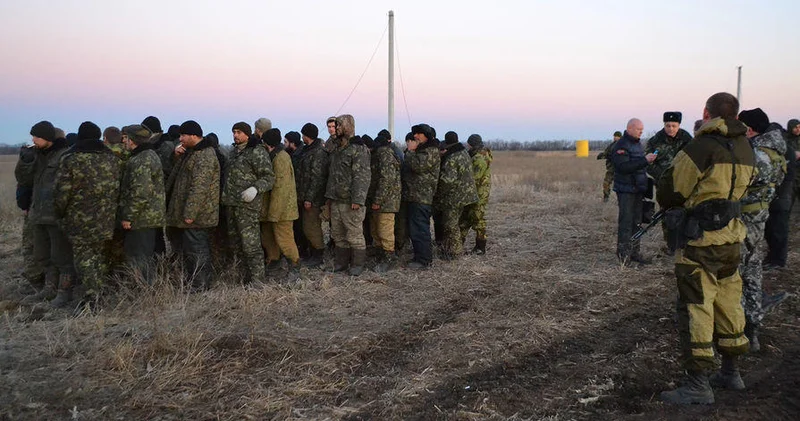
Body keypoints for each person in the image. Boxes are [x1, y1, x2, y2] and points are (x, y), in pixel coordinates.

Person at [657, 92, 755, 405]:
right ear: (736, 116)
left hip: (700, 242)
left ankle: (698, 384)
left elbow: (672, 189)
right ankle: (731, 372)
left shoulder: (701, 146)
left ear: (706, 112)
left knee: (695, 307)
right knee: (729, 303)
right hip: (732, 239)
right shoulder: (746, 147)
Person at [54, 121, 122, 307]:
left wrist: (59, 213)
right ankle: (100, 292)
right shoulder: (113, 159)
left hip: (79, 220)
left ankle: (93, 299)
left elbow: (62, 193)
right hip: (106, 218)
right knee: (98, 256)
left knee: (84, 259)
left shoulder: (70, 159)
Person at [736, 108, 787, 352]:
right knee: (753, 273)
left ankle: (737, 330)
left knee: (736, 275)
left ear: (749, 129)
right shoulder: (776, 152)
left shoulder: (755, 155)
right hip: (759, 219)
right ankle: (753, 329)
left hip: (744, 220)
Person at [20, 122, 73, 306]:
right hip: (38, 214)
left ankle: (63, 292)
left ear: (47, 138)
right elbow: (24, 179)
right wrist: (25, 161)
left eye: (37, 137)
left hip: (56, 215)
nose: (33, 140)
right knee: (42, 255)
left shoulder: (64, 156)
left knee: (61, 257)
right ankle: (49, 289)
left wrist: (62, 211)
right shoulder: (37, 156)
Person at [165, 120, 220, 291]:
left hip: (197, 215)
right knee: (189, 250)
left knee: (197, 250)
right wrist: (176, 156)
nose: (180, 138)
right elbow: (177, 177)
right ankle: (193, 281)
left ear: (194, 136)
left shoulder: (205, 155)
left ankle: (200, 284)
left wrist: (190, 213)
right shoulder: (190, 152)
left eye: (183, 135)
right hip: (185, 213)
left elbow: (199, 187)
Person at [222, 122, 274, 284]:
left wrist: (255, 189)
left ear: (247, 133)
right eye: (233, 132)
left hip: (247, 206)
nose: (235, 135)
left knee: (250, 244)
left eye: (238, 132)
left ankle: (258, 280)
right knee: (236, 244)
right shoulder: (233, 152)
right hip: (231, 203)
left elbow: (269, 177)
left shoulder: (256, 152)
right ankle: (243, 277)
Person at [119, 124, 165, 285]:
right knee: (142, 255)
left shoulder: (142, 159)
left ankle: (144, 290)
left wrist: (128, 216)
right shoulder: (146, 155)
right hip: (146, 216)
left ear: (132, 140)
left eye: (125, 137)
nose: (123, 141)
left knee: (139, 257)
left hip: (142, 218)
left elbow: (141, 191)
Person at [325, 115, 371, 275]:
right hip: (337, 199)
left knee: (354, 233)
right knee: (337, 233)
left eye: (338, 126)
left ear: (346, 127)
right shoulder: (337, 148)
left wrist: (358, 199)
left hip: (350, 201)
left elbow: (362, 176)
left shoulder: (358, 149)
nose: (335, 129)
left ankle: (357, 265)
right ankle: (341, 263)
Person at [645, 112, 693, 252]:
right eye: (667, 125)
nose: (670, 128)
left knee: (686, 213)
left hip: (684, 185)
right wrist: (663, 177)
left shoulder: (687, 139)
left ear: (679, 125)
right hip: (664, 185)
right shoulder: (656, 140)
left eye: (674, 126)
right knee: (667, 215)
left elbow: (694, 162)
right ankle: (671, 245)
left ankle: (685, 244)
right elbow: (647, 162)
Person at [611, 118, 656, 264]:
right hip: (626, 190)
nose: (641, 132)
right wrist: (645, 160)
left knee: (637, 222)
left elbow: (638, 166)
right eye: (639, 130)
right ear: (629, 128)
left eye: (642, 130)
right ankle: (624, 256)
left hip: (638, 189)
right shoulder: (621, 145)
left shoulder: (638, 144)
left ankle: (635, 253)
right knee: (626, 222)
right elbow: (623, 167)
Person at [261, 128, 301, 280]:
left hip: (282, 210)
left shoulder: (281, 158)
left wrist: (274, 213)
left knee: (285, 240)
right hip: (271, 208)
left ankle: (295, 267)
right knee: (268, 238)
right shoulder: (273, 155)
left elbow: (281, 188)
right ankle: (274, 263)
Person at [434, 131, 478, 259]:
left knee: (450, 225)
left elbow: (447, 181)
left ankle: (455, 252)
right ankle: (452, 249)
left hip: (456, 197)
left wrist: (438, 193)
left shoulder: (452, 158)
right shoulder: (464, 153)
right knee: (455, 224)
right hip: (467, 195)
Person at [404, 124, 440, 269]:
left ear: (426, 135)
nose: (415, 137)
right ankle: (419, 256)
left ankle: (424, 260)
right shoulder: (423, 150)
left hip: (422, 197)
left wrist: (411, 151)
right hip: (415, 196)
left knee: (420, 229)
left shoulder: (430, 151)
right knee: (415, 229)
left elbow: (418, 166)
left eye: (418, 134)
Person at [764, 120, 799, 268]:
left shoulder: (785, 149)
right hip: (778, 195)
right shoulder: (782, 148)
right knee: (772, 229)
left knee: (779, 228)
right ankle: (773, 257)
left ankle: (778, 260)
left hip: (782, 194)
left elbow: (787, 175)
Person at [367, 130, 402, 272]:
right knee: (376, 230)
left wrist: (377, 200)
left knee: (385, 230)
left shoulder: (384, 155)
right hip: (381, 200)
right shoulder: (380, 154)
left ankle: (389, 258)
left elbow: (386, 180)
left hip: (386, 202)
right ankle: (380, 254)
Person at [297, 123, 329, 268]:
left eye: (303, 134)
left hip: (313, 199)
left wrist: (309, 198)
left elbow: (317, 178)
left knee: (312, 227)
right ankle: (313, 252)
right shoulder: (307, 150)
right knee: (307, 227)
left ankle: (318, 255)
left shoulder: (318, 153)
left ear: (307, 135)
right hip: (305, 195)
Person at [460, 134, 493, 255]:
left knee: (477, 219)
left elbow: (474, 178)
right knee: (466, 218)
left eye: (468, 144)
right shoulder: (477, 155)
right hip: (474, 192)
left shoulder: (479, 158)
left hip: (478, 193)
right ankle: (457, 245)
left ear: (471, 144)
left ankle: (480, 247)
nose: (467, 146)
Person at [284, 130, 309, 259]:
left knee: (301, 226)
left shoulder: (300, 156)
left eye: (286, 142)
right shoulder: (292, 154)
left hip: (299, 195)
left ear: (292, 143)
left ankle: (303, 249)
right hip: (294, 195)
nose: (284, 144)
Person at [597, 131, 622, 202]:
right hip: (611, 169)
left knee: (620, 186)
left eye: (616, 136)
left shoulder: (623, 144)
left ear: (619, 137)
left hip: (619, 170)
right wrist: (602, 155)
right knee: (606, 183)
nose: (614, 137)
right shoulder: (612, 145)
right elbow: (607, 152)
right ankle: (606, 198)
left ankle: (621, 200)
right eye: (614, 136)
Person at [786, 119, 800, 208]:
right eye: (795, 127)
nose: (798, 129)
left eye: (799, 127)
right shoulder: (786, 141)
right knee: (788, 204)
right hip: (791, 177)